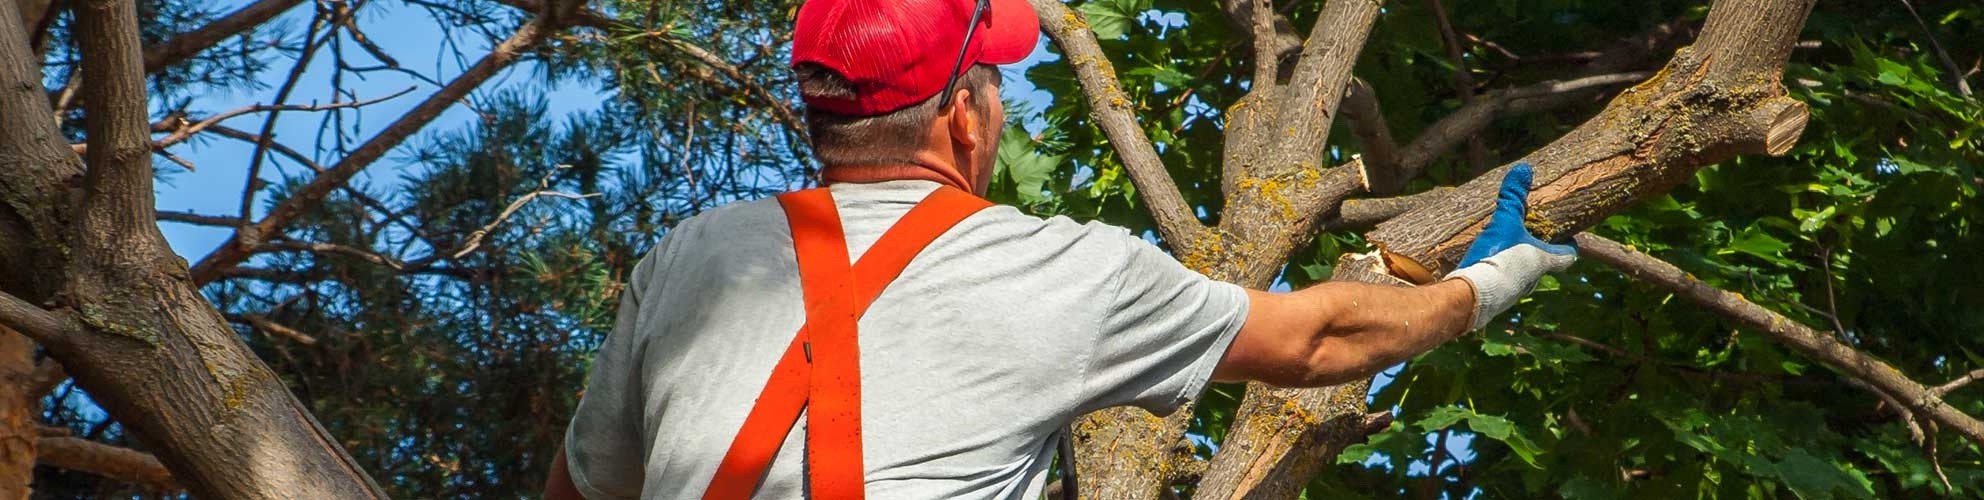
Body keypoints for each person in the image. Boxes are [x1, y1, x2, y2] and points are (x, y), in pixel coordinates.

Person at [544, 0, 1576, 497]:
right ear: (961, 115)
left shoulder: (687, 258)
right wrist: (1483, 283)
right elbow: (1316, 338)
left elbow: (583, 492)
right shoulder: (1063, 268)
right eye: (991, 86)